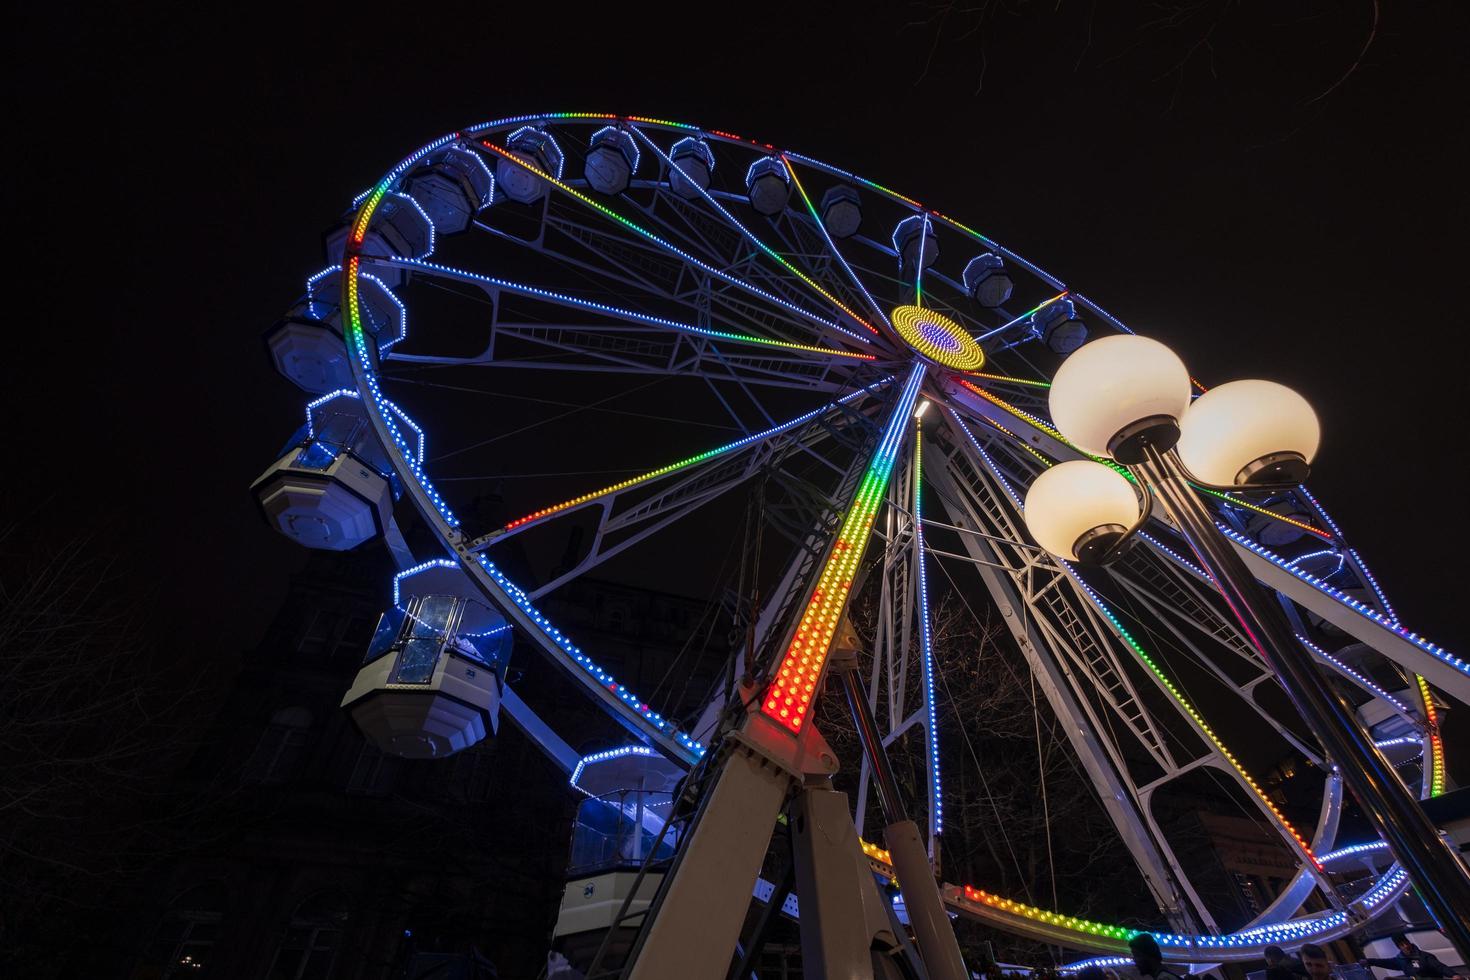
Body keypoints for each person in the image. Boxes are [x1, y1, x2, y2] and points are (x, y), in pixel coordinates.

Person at [1361, 932, 1458, 979]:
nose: (1406, 946)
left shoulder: (1425, 956)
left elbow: (1440, 967)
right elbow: (1385, 962)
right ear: (1399, 947)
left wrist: (1453, 975)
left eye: (1406, 943)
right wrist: (1369, 961)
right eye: (1402, 945)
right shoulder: (1400, 960)